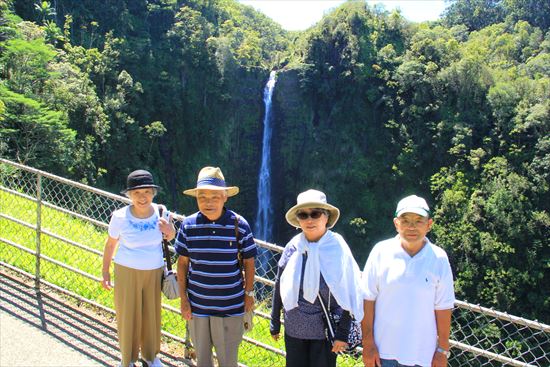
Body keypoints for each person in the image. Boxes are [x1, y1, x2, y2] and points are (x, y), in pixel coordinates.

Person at [270, 189, 364, 367]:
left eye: (315, 213)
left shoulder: (337, 248)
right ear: (298, 220)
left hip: (325, 333)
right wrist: (275, 321)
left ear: (326, 217)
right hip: (294, 330)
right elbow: (279, 284)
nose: (309, 219)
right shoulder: (293, 247)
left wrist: (342, 333)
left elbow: (351, 291)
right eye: (303, 215)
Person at [174, 166, 257, 367]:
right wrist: (184, 299)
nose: (208, 202)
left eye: (215, 196)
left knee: (228, 361)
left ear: (225, 197)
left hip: (230, 307)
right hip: (197, 307)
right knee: (202, 361)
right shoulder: (188, 225)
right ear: (196, 198)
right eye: (202, 197)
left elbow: (249, 262)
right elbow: (182, 263)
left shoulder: (239, 225)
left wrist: (249, 294)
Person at [361, 195, 455, 367]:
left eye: (419, 221)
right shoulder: (381, 252)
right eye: (406, 221)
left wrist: (442, 351)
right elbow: (367, 300)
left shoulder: (439, 258)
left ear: (429, 224)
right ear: (396, 224)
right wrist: (368, 343)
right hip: (383, 353)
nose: (412, 227)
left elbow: (443, 307)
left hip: (422, 356)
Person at [101, 169, 176, 367]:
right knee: (127, 314)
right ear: (129, 195)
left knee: (151, 314)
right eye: (137, 193)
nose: (142, 197)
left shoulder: (162, 212)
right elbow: (110, 245)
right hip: (126, 270)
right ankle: (127, 359)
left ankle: (151, 356)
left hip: (154, 271)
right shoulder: (119, 216)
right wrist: (105, 272)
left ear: (153, 193)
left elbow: (171, 235)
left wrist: (169, 231)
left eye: (147, 192)